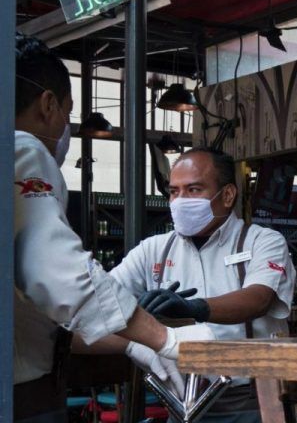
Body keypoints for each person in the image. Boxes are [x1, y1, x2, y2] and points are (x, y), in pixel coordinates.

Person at [13, 34, 214, 422]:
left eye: (194, 190)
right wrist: (163, 337)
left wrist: (132, 343)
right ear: (48, 104)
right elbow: (61, 277)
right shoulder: (22, 148)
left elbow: (57, 312)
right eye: (69, 113)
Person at [109, 147, 296, 422]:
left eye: (194, 190)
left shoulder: (262, 241)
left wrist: (195, 308)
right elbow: (101, 302)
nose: (180, 201)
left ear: (228, 195)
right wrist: (135, 342)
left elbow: (259, 298)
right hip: (183, 398)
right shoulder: (153, 250)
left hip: (251, 399)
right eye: (174, 192)